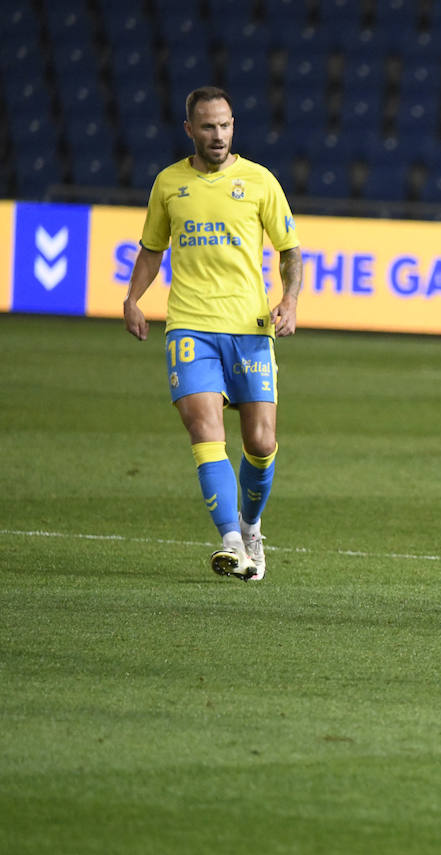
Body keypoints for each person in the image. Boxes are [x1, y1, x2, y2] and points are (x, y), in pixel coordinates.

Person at [122, 86, 301, 580]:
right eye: (207, 126)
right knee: (205, 430)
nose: (218, 135)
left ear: (233, 126)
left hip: (249, 327)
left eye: (224, 125)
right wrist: (132, 299)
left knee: (260, 443)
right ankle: (231, 544)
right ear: (190, 130)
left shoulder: (260, 181)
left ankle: (250, 527)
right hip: (189, 325)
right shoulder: (168, 184)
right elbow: (152, 249)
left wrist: (289, 300)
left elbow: (289, 250)